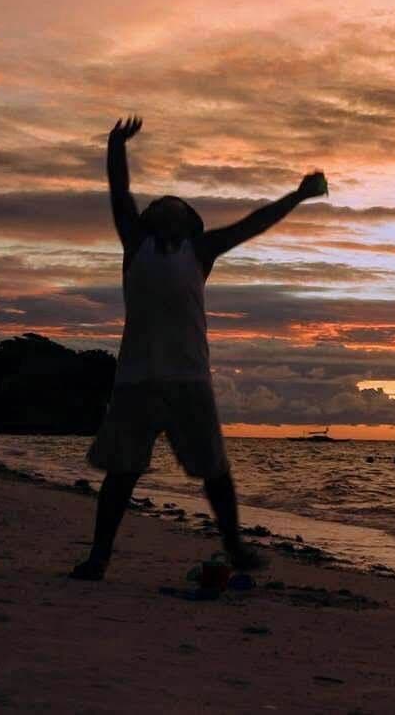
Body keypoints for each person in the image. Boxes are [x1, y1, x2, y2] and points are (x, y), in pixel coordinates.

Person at [70, 115, 326, 581]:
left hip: (189, 378)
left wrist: (298, 195)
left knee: (215, 472)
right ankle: (98, 558)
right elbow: (119, 193)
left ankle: (236, 550)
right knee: (122, 475)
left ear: (190, 224)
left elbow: (255, 223)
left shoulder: (200, 251)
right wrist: (115, 145)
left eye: (178, 205)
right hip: (135, 380)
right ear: (148, 221)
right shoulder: (135, 245)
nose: (170, 205)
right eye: (163, 203)